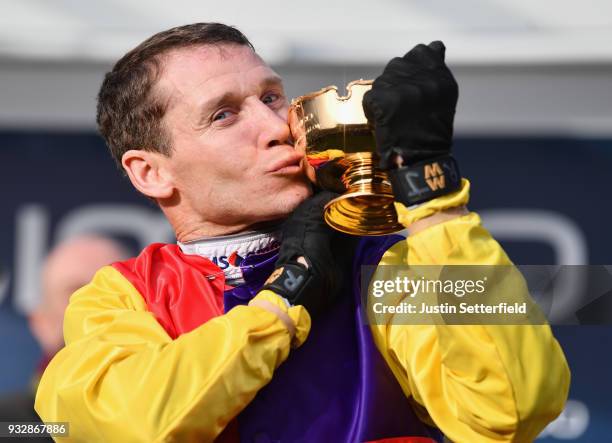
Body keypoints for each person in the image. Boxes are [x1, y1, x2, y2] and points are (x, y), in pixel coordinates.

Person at [35, 23, 570, 442]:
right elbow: (135, 425)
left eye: (271, 97)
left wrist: (430, 196)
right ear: (150, 172)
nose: (274, 128)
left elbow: (511, 410)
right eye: (224, 115)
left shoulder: (388, 264)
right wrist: (287, 295)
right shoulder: (124, 295)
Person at [0, 236, 127, 441]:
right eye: (75, 293)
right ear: (41, 322)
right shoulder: (8, 426)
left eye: (110, 293)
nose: (92, 307)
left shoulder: (177, 415)